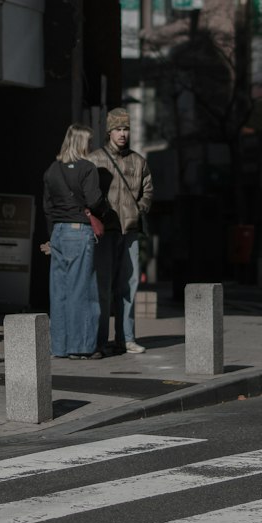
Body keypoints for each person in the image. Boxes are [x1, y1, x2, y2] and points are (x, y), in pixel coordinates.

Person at [90, 107, 153, 355]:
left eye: (126, 129)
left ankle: (125, 338)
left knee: (129, 285)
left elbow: (148, 189)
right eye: (118, 129)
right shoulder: (95, 159)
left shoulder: (139, 161)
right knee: (102, 286)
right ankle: (100, 340)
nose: (123, 133)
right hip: (105, 232)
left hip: (130, 230)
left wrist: (140, 208)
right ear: (109, 132)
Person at [41, 125, 105, 360]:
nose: (91, 145)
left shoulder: (52, 169)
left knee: (59, 292)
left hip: (58, 232)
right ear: (81, 143)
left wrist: (52, 235)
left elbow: (47, 207)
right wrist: (104, 207)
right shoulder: (87, 168)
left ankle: (60, 346)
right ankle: (82, 347)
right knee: (82, 290)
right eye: (89, 141)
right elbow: (94, 200)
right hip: (79, 231)